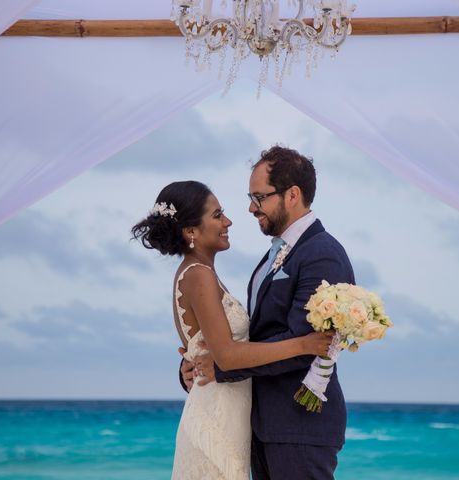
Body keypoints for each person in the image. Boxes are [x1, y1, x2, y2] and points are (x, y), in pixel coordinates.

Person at [131, 180, 334, 480]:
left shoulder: (203, 274)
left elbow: (213, 348)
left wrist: (192, 361)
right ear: (190, 232)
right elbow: (226, 356)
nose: (228, 221)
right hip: (217, 418)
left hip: (232, 416)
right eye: (217, 215)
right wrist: (304, 344)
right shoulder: (198, 276)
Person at [183, 146, 355, 480]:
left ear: (293, 195)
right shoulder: (276, 254)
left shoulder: (322, 255)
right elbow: (255, 334)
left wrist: (223, 367)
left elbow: (303, 345)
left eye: (259, 197)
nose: (251, 207)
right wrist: (197, 359)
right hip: (264, 426)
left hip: (300, 425)